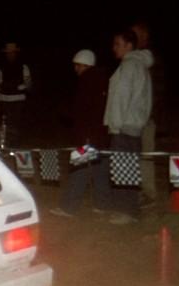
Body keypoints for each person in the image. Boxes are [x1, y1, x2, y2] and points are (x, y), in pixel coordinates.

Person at [50, 50, 114, 217]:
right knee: (100, 170)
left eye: (77, 65)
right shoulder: (104, 80)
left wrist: (63, 110)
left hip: (88, 134)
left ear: (84, 64)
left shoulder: (87, 80)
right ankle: (103, 204)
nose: (75, 69)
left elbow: (80, 110)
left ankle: (68, 207)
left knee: (79, 169)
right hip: (102, 134)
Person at [103, 29, 153, 225]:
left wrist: (115, 125)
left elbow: (120, 99)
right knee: (129, 169)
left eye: (117, 44)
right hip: (134, 124)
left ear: (129, 45)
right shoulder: (140, 66)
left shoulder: (129, 65)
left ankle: (126, 212)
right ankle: (130, 210)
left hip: (124, 126)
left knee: (123, 169)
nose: (113, 48)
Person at [131, 21, 165, 209]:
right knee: (135, 155)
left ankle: (149, 194)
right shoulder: (133, 57)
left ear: (145, 35)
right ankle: (137, 191)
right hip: (134, 117)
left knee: (146, 155)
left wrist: (150, 112)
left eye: (136, 33)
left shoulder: (151, 58)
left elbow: (157, 89)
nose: (133, 37)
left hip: (147, 116)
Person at [0, 42, 32, 147]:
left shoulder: (23, 66)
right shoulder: (2, 67)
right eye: (8, 53)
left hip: (18, 99)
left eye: (12, 53)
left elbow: (29, 84)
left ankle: (14, 145)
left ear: (16, 53)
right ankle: (6, 144)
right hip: (5, 99)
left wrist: (20, 87)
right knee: (6, 123)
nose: (10, 55)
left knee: (15, 123)